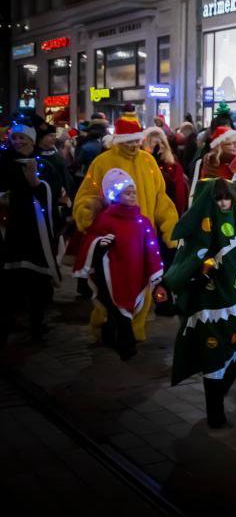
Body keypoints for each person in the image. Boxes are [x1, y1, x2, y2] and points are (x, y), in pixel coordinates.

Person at [163, 179, 236, 428]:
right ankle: (214, 409)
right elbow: (182, 267)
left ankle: (217, 398)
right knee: (214, 355)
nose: (224, 203)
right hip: (209, 307)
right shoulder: (198, 236)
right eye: (218, 199)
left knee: (235, 355)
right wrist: (171, 285)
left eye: (228, 198)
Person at [73, 108, 179, 341]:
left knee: (143, 286)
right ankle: (104, 328)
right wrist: (87, 210)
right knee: (110, 287)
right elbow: (87, 194)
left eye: (135, 141)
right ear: (117, 141)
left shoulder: (149, 161)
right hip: (113, 239)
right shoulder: (103, 162)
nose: (133, 146)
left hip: (143, 238)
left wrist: (171, 226)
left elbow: (162, 198)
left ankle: (134, 331)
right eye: (127, 142)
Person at [72, 169, 164, 359]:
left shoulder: (142, 221)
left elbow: (151, 246)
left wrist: (155, 270)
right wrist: (99, 244)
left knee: (123, 311)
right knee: (118, 310)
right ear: (114, 195)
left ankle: (111, 335)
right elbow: (91, 240)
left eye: (133, 192)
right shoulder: (105, 219)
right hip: (112, 275)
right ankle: (126, 346)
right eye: (127, 193)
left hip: (135, 272)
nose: (132, 197)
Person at [0, 124, 62, 343]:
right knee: (11, 280)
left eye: (23, 138)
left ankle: (37, 324)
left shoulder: (42, 164)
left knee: (37, 280)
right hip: (12, 228)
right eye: (15, 138)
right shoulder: (4, 162)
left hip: (37, 229)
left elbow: (53, 190)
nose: (18, 141)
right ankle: (8, 323)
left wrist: (37, 184)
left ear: (32, 140)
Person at [143, 127, 188, 215]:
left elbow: (180, 196)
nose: (161, 146)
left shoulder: (174, 167)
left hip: (170, 214)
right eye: (156, 143)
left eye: (163, 142)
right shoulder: (142, 166)